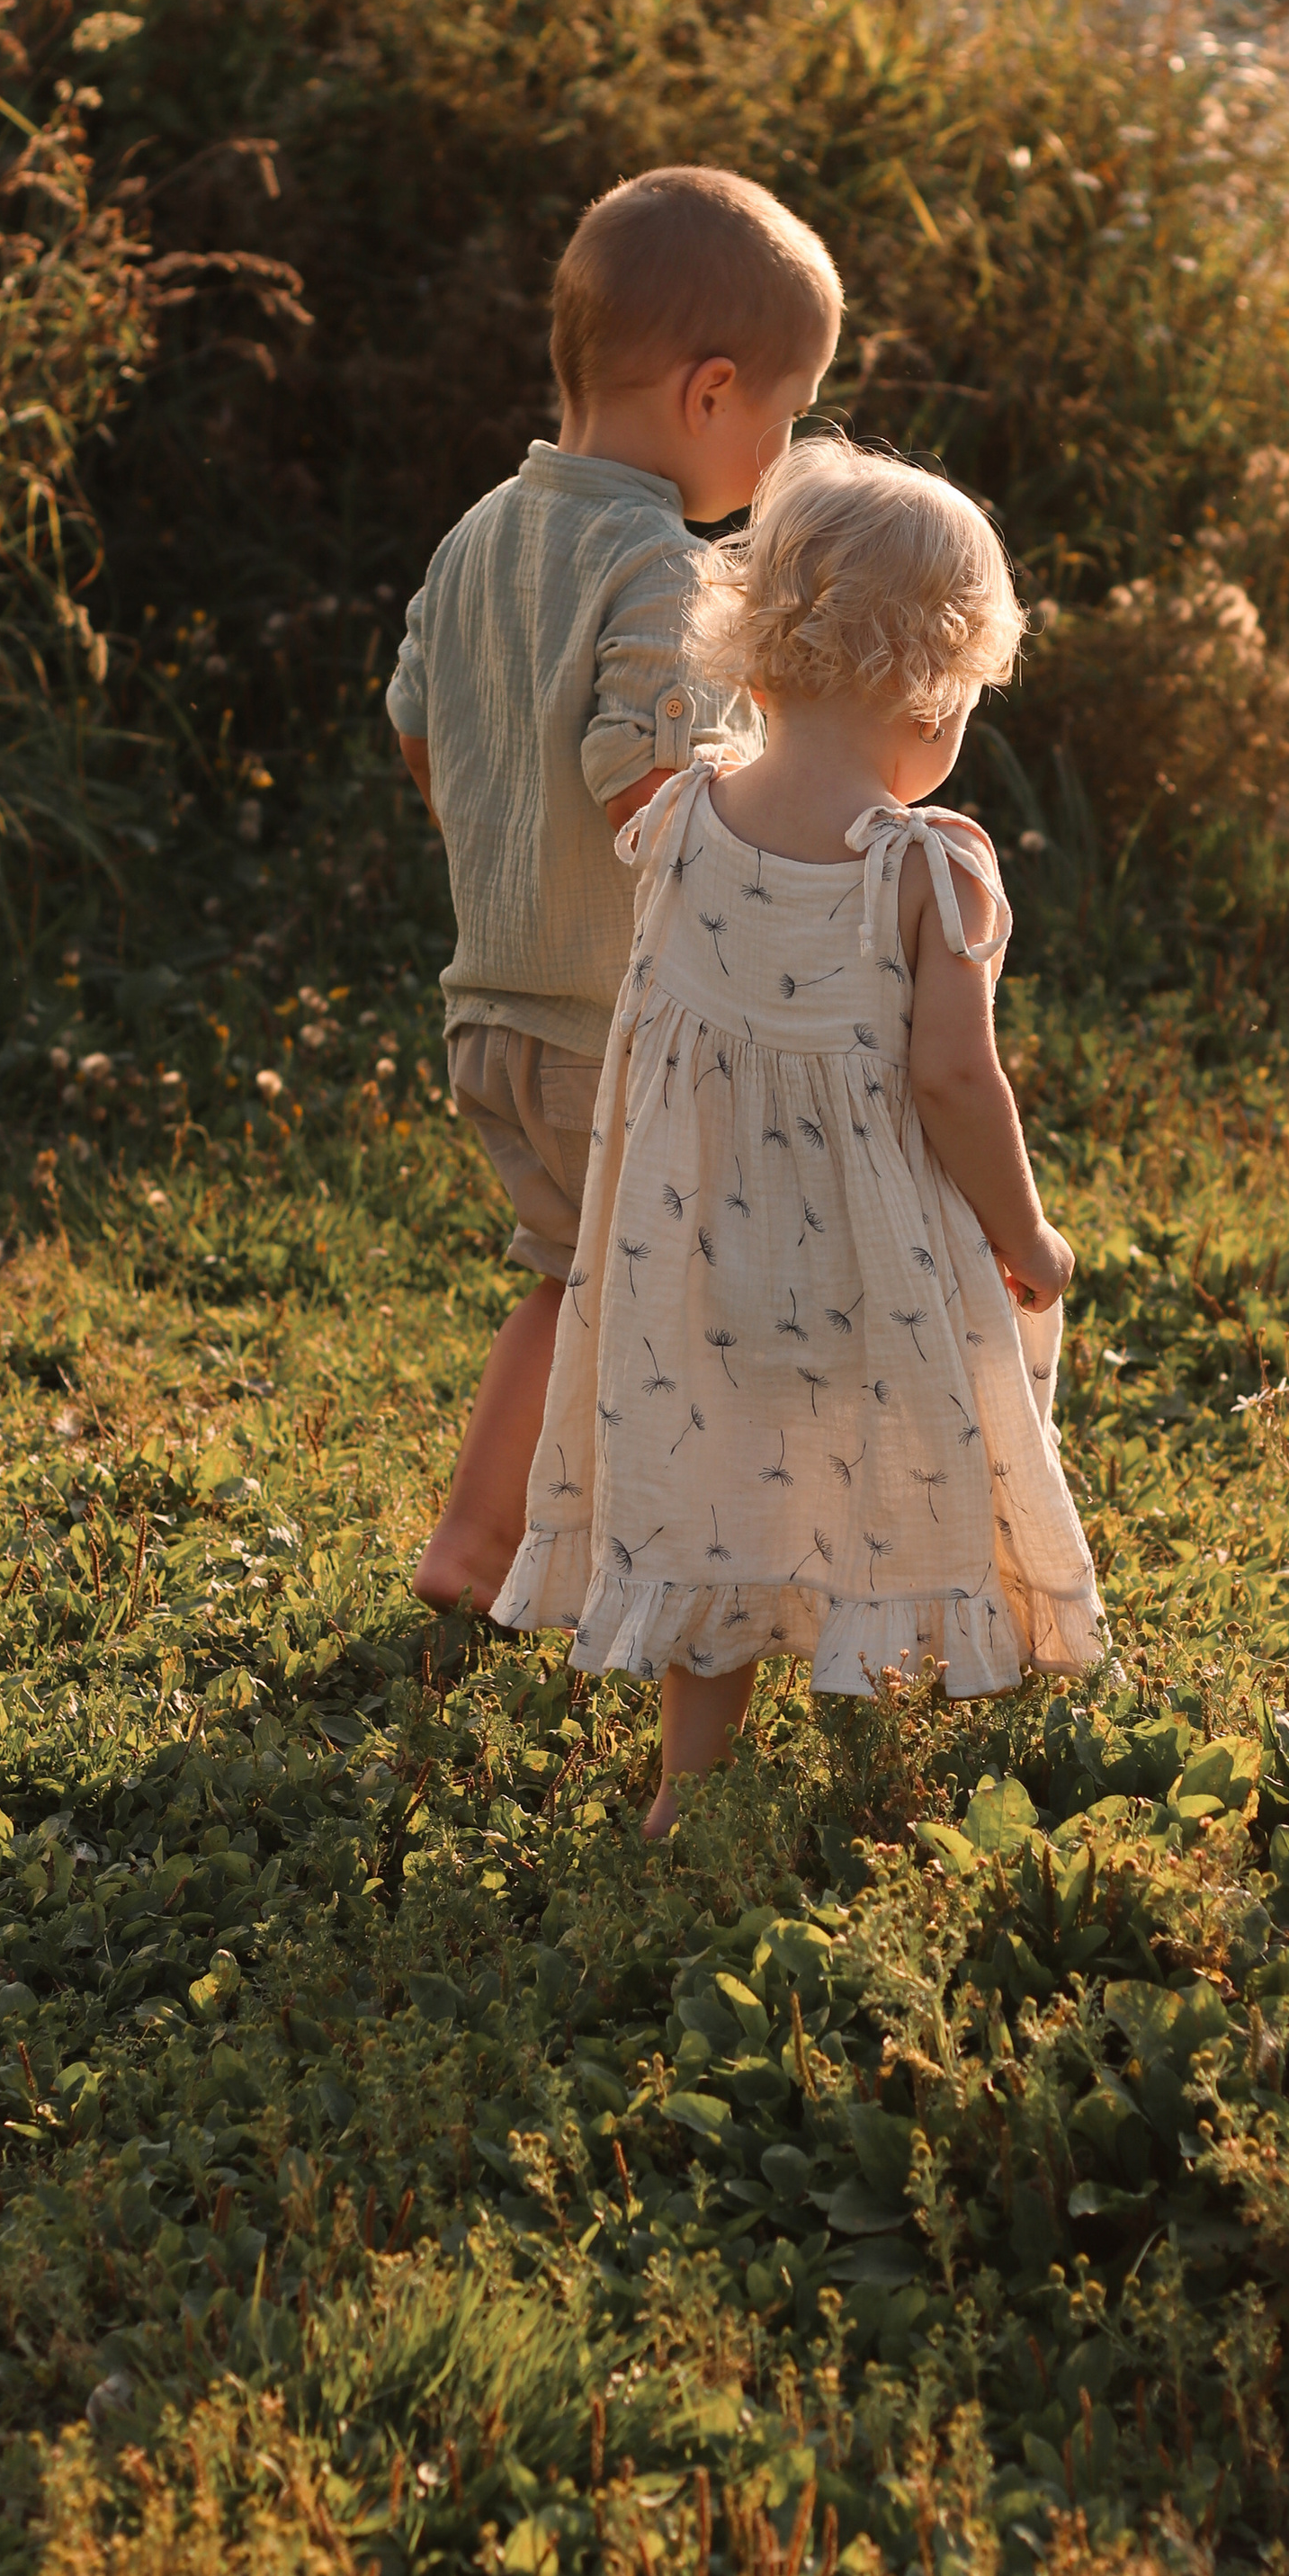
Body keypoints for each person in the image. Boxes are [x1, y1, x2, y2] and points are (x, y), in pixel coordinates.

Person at [493, 435, 1104, 1835]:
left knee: (723, 1484)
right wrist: (1027, 1236)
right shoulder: (927, 868)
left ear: (753, 648)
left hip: (694, 1258)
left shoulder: (681, 821)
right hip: (870, 1270)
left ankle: (681, 1791)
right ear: (939, 702)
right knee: (886, 1482)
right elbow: (957, 1081)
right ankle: (887, 1774)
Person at [389, 166, 844, 1614]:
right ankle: (691, 1574)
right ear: (712, 394)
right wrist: (785, 839)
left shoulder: (479, 532)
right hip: (614, 1030)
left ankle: (481, 1548)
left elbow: (418, 724)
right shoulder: (661, 564)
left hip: (493, 1015)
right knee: (690, 1297)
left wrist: (502, 853)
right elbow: (647, 789)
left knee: (571, 1277)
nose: (779, 461)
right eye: (784, 422)